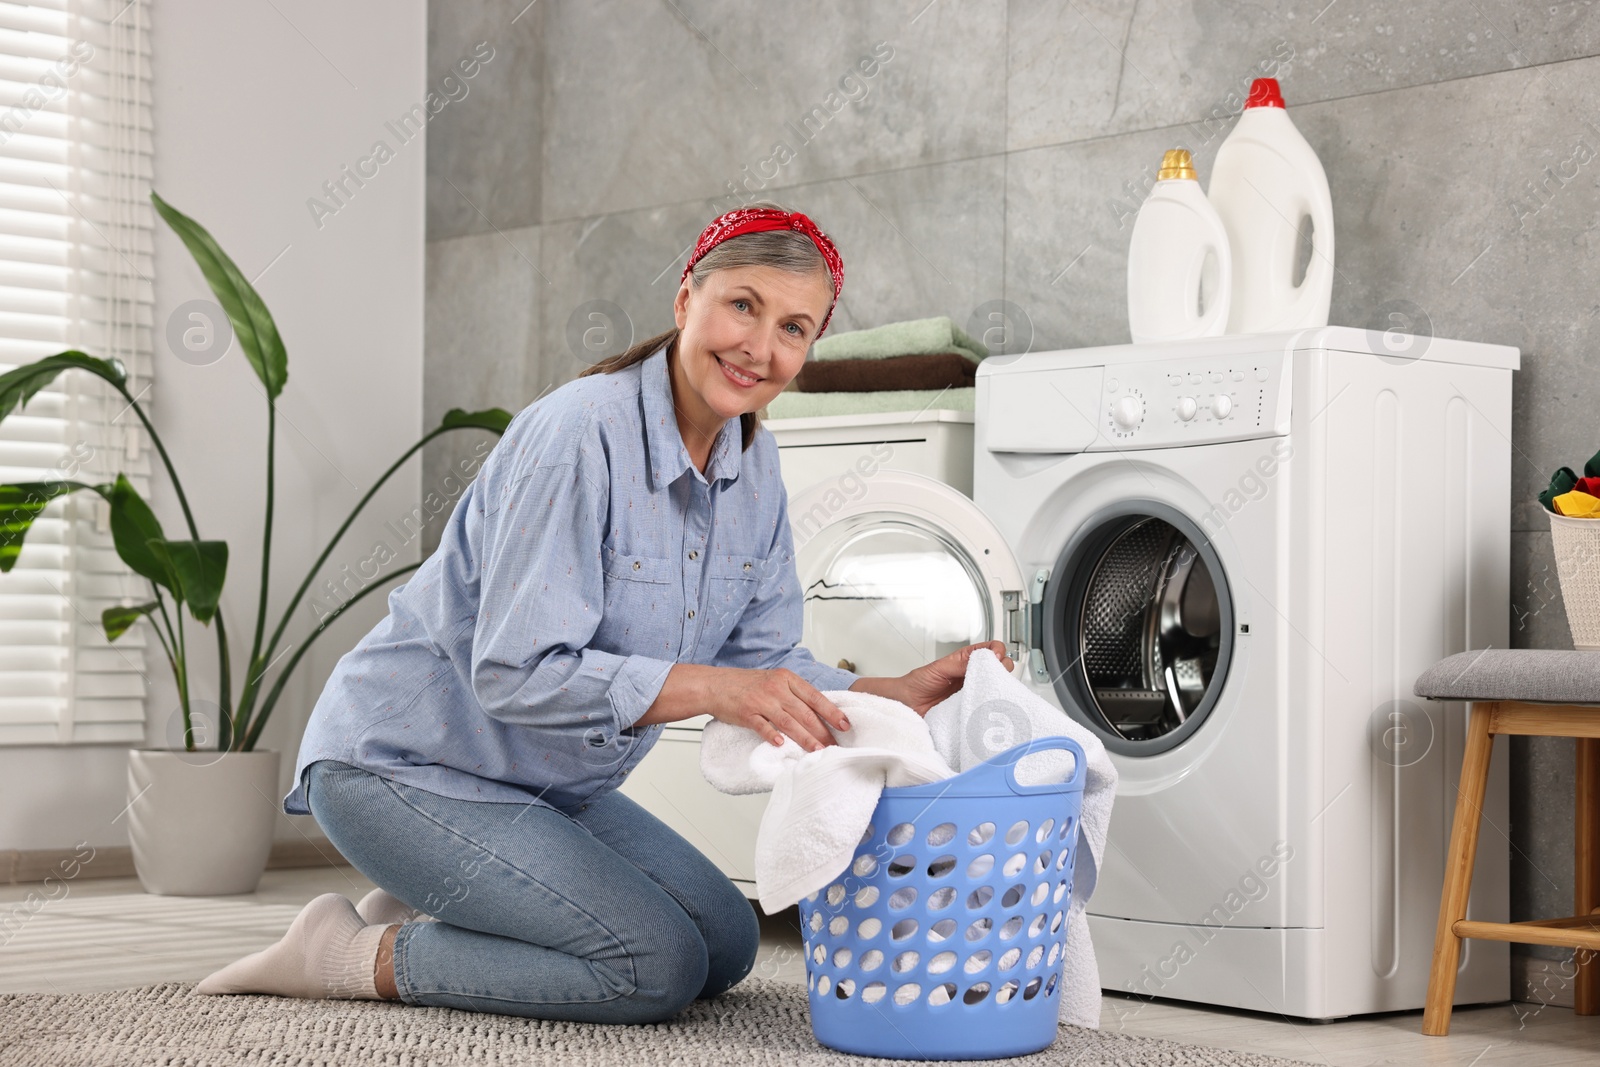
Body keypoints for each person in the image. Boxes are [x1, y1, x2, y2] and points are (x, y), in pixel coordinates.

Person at [194, 201, 1014, 1022]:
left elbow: (768, 663)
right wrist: (716, 690)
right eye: (743, 305)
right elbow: (514, 674)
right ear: (685, 300)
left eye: (794, 327)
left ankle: (435, 906)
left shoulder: (752, 466)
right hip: (402, 767)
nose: (761, 347)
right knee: (649, 966)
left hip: (541, 785)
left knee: (724, 944)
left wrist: (892, 691)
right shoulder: (578, 435)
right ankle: (343, 951)